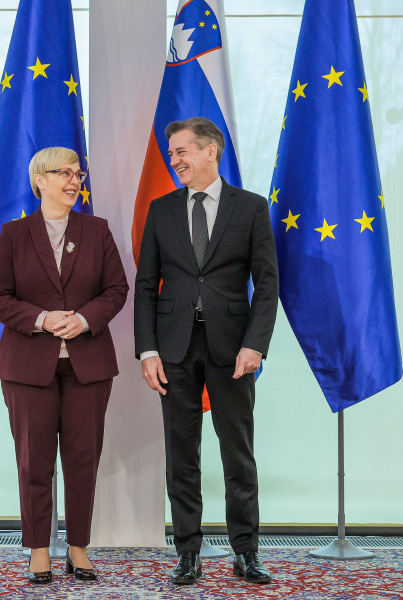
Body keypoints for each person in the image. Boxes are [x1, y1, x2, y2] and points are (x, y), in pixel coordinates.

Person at [134, 117, 279, 585]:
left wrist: (255, 344)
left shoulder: (252, 208)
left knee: (238, 453)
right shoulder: (161, 210)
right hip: (173, 350)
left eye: (181, 151)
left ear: (210, 151)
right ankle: (188, 552)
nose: (174, 160)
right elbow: (145, 287)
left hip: (233, 350)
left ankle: (246, 551)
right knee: (182, 454)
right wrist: (147, 351)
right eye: (172, 152)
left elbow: (268, 283)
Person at [0, 146, 128, 584]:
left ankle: (79, 548)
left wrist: (83, 319)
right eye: (63, 173)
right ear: (39, 180)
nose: (73, 181)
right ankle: (39, 550)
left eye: (78, 174)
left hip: (88, 366)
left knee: (83, 460)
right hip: (28, 368)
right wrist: (43, 319)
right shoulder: (13, 234)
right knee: (34, 462)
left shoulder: (97, 230)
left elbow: (116, 289)